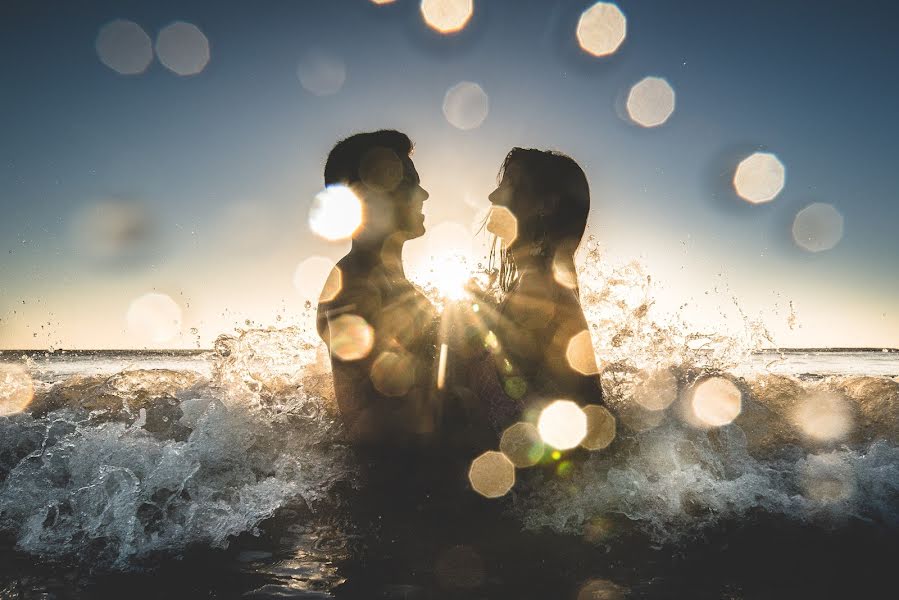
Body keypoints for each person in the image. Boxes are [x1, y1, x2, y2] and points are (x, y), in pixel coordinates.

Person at [315, 130, 440, 447]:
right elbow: (367, 427)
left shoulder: (390, 283)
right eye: (409, 183)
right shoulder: (354, 284)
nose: (423, 194)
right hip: (400, 494)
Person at [471, 147, 603, 432]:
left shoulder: (541, 291)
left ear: (545, 205)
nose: (493, 197)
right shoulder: (550, 281)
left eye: (509, 186)